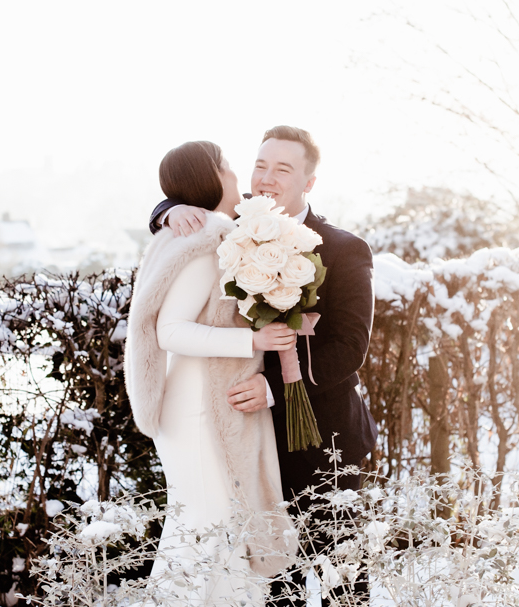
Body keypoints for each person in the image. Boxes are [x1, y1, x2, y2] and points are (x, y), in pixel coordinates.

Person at [148, 126, 377, 605]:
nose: (266, 178)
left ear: (309, 182)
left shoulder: (343, 249)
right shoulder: (234, 224)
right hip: (250, 438)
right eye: (260, 165)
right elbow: (195, 197)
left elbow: (349, 347)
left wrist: (272, 387)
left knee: (343, 580)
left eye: (283, 169)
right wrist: (170, 209)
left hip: (325, 436)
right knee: (269, 581)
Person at [125, 140, 297, 606]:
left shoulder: (194, 228)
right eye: (227, 166)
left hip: (200, 395)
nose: (237, 175)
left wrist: (169, 208)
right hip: (198, 404)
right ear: (213, 177)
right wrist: (254, 341)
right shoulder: (205, 237)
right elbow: (170, 330)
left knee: (221, 528)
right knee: (204, 527)